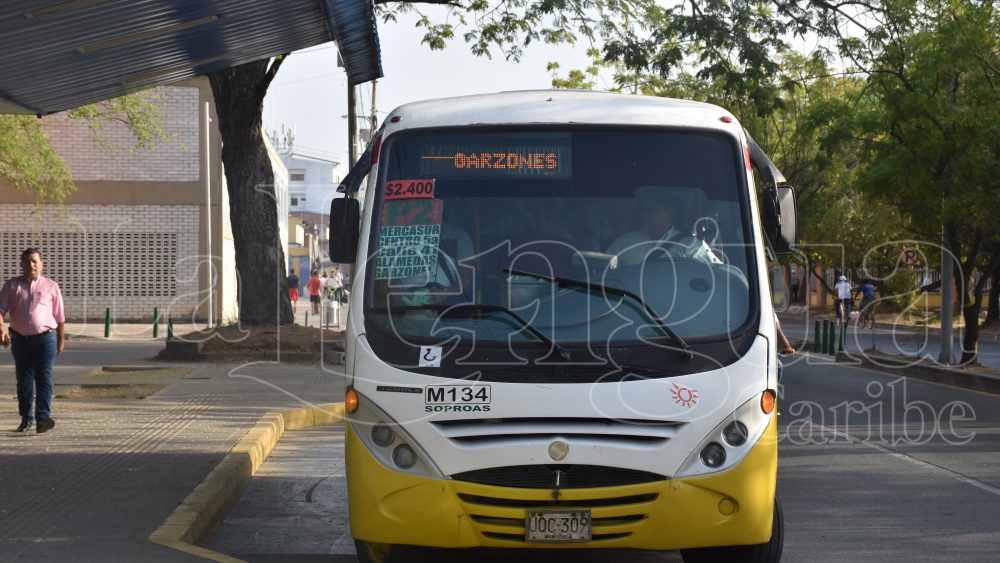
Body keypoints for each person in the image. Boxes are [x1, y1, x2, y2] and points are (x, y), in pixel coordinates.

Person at [0, 248, 65, 433]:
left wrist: (61, 340)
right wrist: (1, 329)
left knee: (44, 378)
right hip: (20, 340)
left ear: (42, 264)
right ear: (21, 265)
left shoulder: (51, 286)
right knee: (24, 380)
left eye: (35, 261)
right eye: (27, 262)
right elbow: (0, 309)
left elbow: (59, 317)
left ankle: (43, 418)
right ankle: (26, 418)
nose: (31, 265)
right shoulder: (12, 286)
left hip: (46, 339)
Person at [607, 195, 721, 266]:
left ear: (670, 217)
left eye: (653, 210)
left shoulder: (690, 245)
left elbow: (715, 272)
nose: (645, 214)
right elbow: (602, 272)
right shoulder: (623, 242)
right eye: (644, 210)